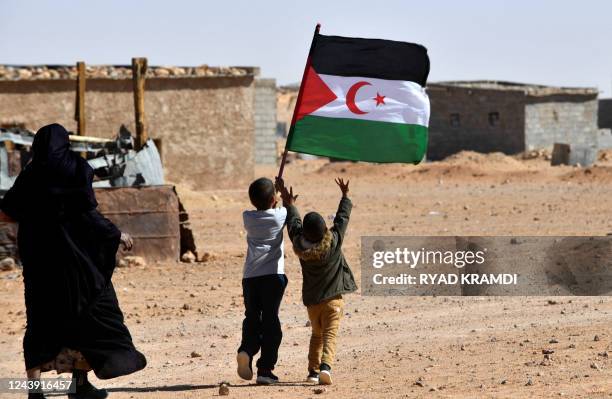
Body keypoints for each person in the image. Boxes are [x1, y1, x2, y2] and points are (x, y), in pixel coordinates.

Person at [0, 124, 146, 399]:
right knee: (86, 315)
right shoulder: (76, 170)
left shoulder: (30, 175)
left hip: (40, 264)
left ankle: (35, 391)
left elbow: (6, 214)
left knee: (40, 321)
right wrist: (116, 234)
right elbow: (87, 215)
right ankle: (79, 385)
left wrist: (37, 219)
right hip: (79, 263)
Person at [277, 177, 357, 386]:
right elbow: (342, 219)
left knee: (316, 335)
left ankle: (313, 371)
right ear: (325, 231)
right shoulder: (334, 242)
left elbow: (293, 224)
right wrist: (345, 196)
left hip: (313, 303)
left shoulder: (300, 245)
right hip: (333, 301)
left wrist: (289, 203)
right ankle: (326, 368)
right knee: (330, 335)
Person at [236, 177, 288, 385]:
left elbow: (271, 204)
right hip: (273, 277)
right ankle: (265, 368)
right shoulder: (279, 216)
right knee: (270, 322)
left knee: (251, 317)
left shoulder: (247, 217)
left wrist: (275, 195)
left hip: (250, 277)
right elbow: (287, 208)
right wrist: (282, 194)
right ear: (273, 199)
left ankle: (246, 350)